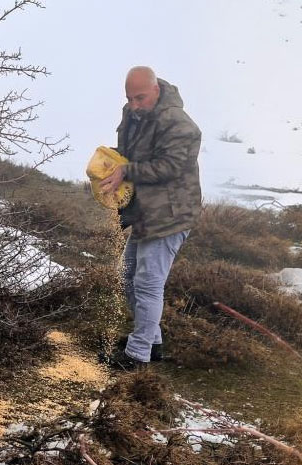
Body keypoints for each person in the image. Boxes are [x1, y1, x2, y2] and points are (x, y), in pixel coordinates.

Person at [99, 66, 202, 370]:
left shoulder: (180, 125)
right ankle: (151, 342)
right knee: (128, 275)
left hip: (170, 214)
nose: (134, 105)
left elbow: (170, 166)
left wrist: (127, 170)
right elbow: (131, 153)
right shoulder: (134, 114)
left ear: (156, 90)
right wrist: (110, 160)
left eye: (140, 98)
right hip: (145, 211)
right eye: (130, 99)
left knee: (147, 283)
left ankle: (137, 356)